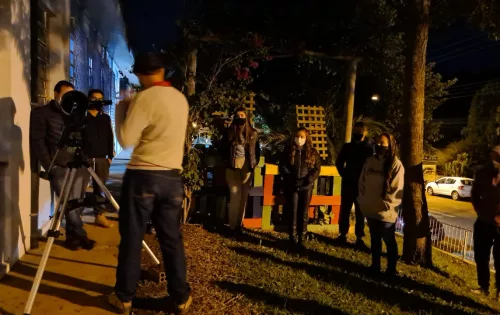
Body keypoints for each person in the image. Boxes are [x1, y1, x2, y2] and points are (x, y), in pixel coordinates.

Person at [108, 53, 192, 315]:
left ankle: (124, 297)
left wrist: (123, 107)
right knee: (171, 240)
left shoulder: (144, 99)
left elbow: (126, 138)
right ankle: (180, 298)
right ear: (163, 71)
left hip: (143, 175)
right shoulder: (180, 98)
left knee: (132, 238)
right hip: (172, 178)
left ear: (141, 74)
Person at [30, 80, 95, 250]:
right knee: (68, 202)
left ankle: (72, 238)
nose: (70, 99)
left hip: (79, 165)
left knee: (77, 203)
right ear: (56, 94)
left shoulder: (76, 113)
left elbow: (85, 136)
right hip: (58, 165)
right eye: (66, 95)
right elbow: (38, 142)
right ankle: (81, 234)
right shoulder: (41, 113)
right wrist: (49, 166)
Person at [357, 133, 404, 276]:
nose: (379, 145)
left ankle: (391, 269)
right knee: (375, 239)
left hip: (385, 211)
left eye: (383, 143)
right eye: (377, 142)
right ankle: (375, 266)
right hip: (370, 208)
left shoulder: (396, 164)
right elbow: (362, 182)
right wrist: (362, 199)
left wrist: (387, 204)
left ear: (390, 145)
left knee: (389, 240)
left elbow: (397, 188)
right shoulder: (369, 161)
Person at [219, 107, 260, 235]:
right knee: (235, 196)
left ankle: (238, 224)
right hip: (232, 166)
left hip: (247, 167)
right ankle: (232, 225)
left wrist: (254, 163)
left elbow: (257, 151)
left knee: (243, 197)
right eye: (238, 115)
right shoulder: (230, 132)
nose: (240, 117)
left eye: (242, 115)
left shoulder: (253, 133)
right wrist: (226, 161)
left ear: (246, 117)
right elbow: (223, 148)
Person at [335, 121, 375, 249]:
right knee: (345, 210)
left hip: (362, 185)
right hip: (348, 183)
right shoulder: (347, 147)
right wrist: (344, 174)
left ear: (365, 132)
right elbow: (339, 162)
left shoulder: (370, 148)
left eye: (359, 131)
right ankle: (342, 234)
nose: (357, 133)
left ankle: (359, 237)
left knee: (360, 212)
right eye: (355, 131)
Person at [279, 127, 321, 247]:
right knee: (293, 210)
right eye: (297, 136)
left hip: (306, 186)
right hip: (292, 186)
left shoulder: (313, 152)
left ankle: (302, 236)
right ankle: (292, 236)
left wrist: (308, 179)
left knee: (303, 212)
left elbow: (317, 168)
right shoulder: (288, 150)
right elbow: (283, 166)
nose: (299, 139)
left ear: (306, 138)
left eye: (302, 137)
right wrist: (290, 178)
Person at [471, 145, 500, 298]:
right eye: (495, 155)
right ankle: (483, 286)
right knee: (481, 256)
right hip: (484, 221)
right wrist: (480, 210)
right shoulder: (482, 173)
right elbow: (474, 193)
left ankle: (499, 291)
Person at [84, 89, 115, 228]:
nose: (97, 101)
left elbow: (110, 136)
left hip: (102, 158)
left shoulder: (105, 117)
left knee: (100, 188)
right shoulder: (82, 117)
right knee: (79, 187)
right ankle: (76, 218)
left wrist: (110, 156)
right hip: (85, 158)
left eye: (100, 99)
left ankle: (99, 215)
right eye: (94, 98)